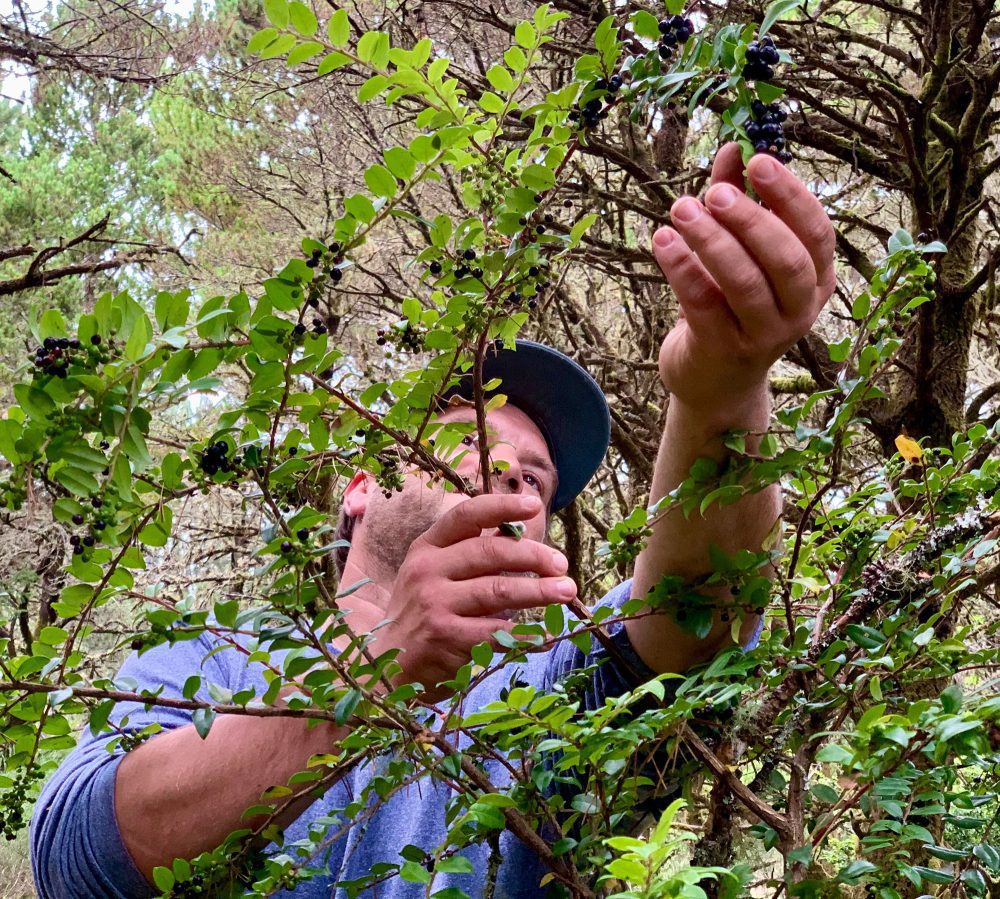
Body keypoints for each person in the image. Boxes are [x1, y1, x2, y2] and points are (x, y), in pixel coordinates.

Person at [30, 144, 835, 897]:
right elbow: (79, 858)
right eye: (467, 438)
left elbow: (693, 628)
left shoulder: (541, 703)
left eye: (540, 476)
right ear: (358, 487)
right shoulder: (214, 656)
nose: (513, 467)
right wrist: (375, 673)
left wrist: (723, 387)